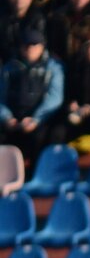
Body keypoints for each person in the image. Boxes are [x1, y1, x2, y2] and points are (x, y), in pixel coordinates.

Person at [0, 26, 64, 162]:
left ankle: (34, 178)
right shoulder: (9, 68)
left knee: (42, 138)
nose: (30, 49)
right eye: (26, 45)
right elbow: (1, 96)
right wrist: (6, 118)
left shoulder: (53, 67)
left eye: (34, 45)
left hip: (40, 119)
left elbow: (55, 98)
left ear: (42, 47)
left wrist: (36, 119)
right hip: (12, 119)